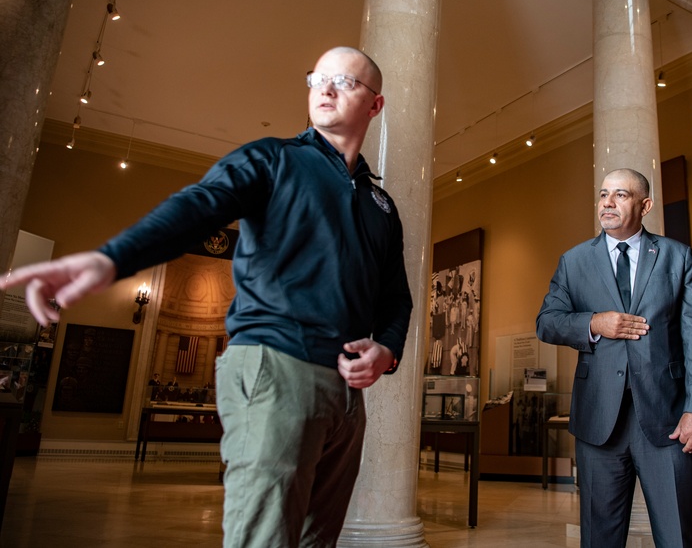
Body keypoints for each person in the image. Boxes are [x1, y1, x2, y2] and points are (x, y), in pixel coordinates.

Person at [1, 46, 413, 548]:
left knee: (316, 541)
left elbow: (397, 296)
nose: (325, 89)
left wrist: (387, 349)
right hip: (275, 366)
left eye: (345, 82)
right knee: (264, 540)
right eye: (317, 78)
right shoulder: (272, 158)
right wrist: (111, 259)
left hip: (348, 391)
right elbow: (199, 205)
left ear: (375, 105)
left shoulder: (381, 205)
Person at [537, 168, 692, 548]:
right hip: (599, 423)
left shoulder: (676, 257)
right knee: (599, 539)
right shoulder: (574, 260)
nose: (608, 203)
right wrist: (594, 322)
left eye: (621, 195)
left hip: (669, 421)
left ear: (645, 205)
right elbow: (547, 323)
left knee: (678, 537)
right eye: (603, 195)